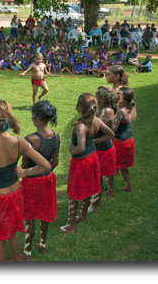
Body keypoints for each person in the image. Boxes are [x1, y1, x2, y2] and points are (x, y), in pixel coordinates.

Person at [0, 100, 51, 261]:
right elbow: (46, 165)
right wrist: (25, 172)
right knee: (12, 232)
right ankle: (18, 259)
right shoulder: (19, 142)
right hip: (16, 194)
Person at [57, 93, 114, 233]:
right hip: (93, 158)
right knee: (88, 188)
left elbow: (80, 147)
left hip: (81, 161)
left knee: (74, 192)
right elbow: (110, 134)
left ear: (78, 107)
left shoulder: (80, 126)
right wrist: (95, 142)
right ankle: (82, 216)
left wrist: (72, 150)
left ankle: (70, 225)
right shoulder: (96, 120)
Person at [19, 101, 60, 260]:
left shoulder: (30, 139)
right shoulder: (56, 135)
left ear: (35, 118)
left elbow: (24, 165)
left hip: (32, 182)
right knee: (45, 213)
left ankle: (27, 252)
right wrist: (46, 172)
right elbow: (54, 162)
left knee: (30, 216)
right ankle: (43, 245)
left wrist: (26, 172)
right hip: (48, 179)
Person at [88, 86, 118, 212]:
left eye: (97, 96)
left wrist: (95, 140)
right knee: (97, 173)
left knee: (106, 172)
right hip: (97, 147)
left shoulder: (108, 111)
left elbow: (108, 132)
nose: (95, 97)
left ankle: (108, 192)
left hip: (104, 147)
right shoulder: (98, 108)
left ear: (103, 98)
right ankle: (98, 198)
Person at [112, 87, 137, 192]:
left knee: (115, 165)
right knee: (123, 166)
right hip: (129, 140)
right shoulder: (133, 107)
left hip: (119, 142)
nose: (117, 96)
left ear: (125, 98)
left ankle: (111, 188)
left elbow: (113, 129)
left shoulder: (120, 112)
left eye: (119, 95)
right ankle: (128, 185)